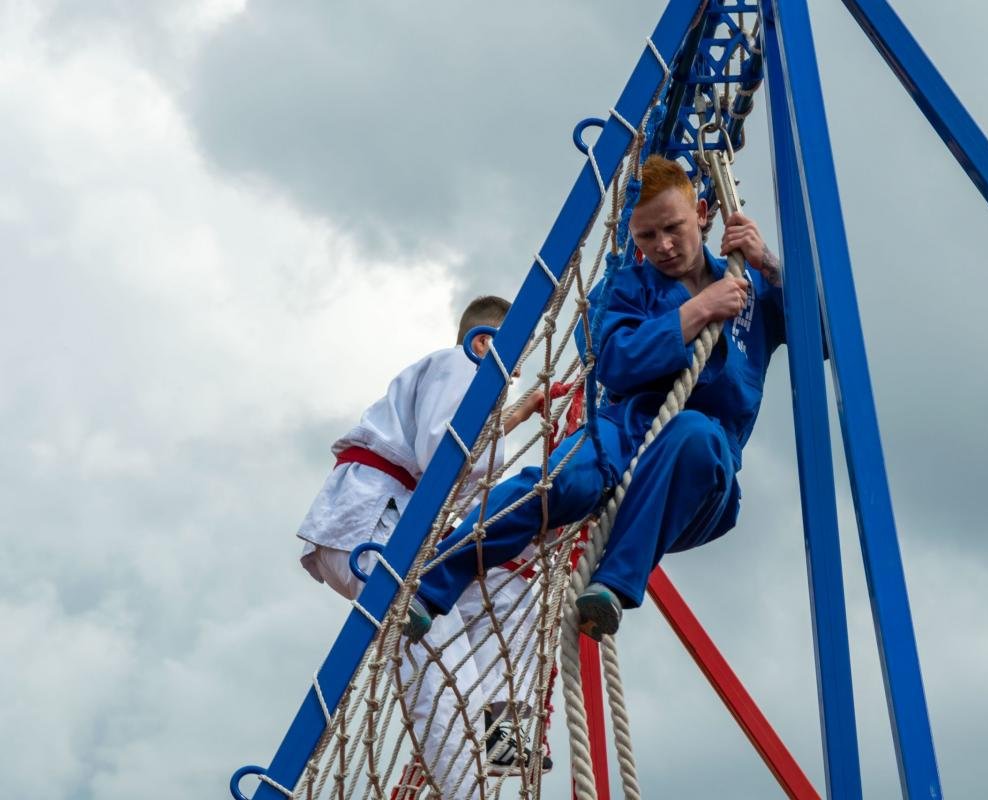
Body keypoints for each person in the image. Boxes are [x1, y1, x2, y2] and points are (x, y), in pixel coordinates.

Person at [406, 154, 787, 642]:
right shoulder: (627, 288)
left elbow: (823, 330)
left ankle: (611, 586)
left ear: (704, 214)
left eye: (673, 228)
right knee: (558, 482)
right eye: (646, 236)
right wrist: (695, 312)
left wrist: (769, 264)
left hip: (697, 478)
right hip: (624, 431)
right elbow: (614, 360)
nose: (663, 246)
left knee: (694, 434)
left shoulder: (749, 286)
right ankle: (434, 582)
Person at [296, 295, 548, 797]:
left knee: (490, 615)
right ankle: (465, 789)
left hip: (380, 523)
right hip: (372, 523)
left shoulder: (451, 385)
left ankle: (505, 750)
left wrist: (517, 418)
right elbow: (447, 455)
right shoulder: (463, 364)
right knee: (439, 650)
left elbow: (461, 468)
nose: (510, 381)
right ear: (486, 344)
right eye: (512, 369)